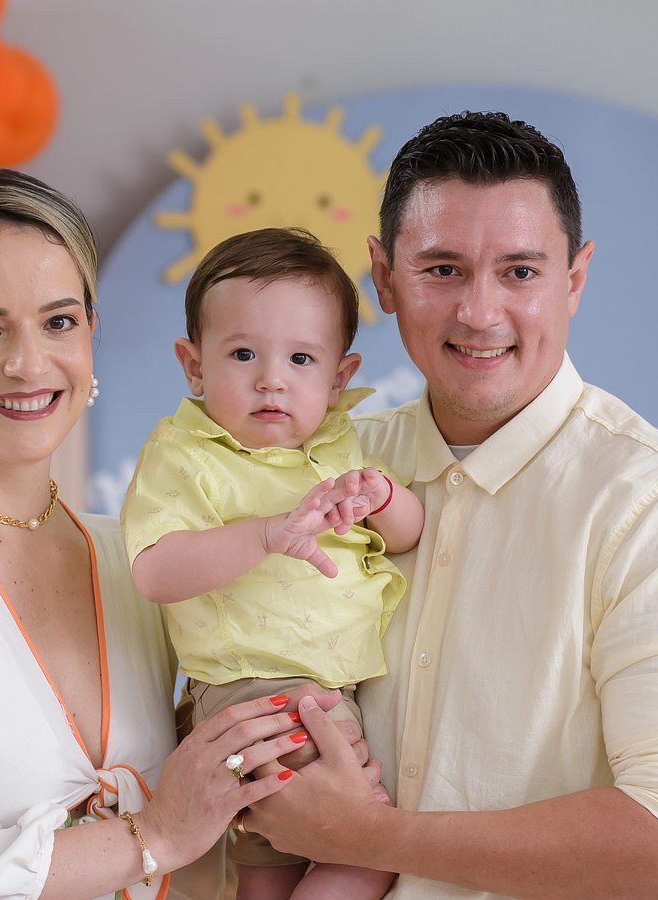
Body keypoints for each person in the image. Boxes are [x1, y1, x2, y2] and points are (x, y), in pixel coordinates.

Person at [241, 111, 658, 898]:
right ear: (384, 278)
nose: (479, 311)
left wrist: (362, 837)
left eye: (520, 272)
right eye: (442, 269)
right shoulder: (315, 469)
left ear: (573, 278)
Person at [0, 169, 354, 900]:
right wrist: (154, 834)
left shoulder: (131, 558)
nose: (27, 363)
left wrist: (306, 758)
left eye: (58, 322)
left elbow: (213, 805)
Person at [121, 227, 424, 900]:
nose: (271, 380)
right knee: (369, 853)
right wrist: (262, 535)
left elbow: (409, 535)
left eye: (300, 358)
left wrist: (381, 496)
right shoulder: (186, 454)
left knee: (267, 870)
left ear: (339, 377)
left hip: (318, 694)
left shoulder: (339, 449)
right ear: (193, 365)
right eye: (241, 354)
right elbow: (155, 571)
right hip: (261, 692)